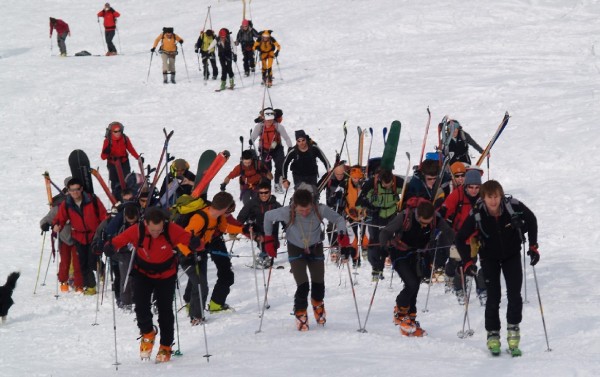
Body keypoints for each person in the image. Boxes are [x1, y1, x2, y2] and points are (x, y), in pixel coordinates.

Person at [455, 180, 538, 354]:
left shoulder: (513, 206)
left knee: (515, 295)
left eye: (496, 197)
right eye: (489, 197)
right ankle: (493, 335)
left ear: (501, 195)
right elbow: (460, 238)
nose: (493, 201)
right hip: (489, 258)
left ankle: (513, 333)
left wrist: (533, 246)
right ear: (483, 198)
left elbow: (531, 220)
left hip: (512, 255)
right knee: (493, 297)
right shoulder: (477, 213)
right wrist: (468, 262)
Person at [103, 207, 191, 362]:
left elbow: (188, 239)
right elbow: (119, 241)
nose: (156, 233)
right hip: (143, 273)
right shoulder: (137, 230)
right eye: (152, 230)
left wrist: (197, 245)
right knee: (141, 306)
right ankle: (148, 333)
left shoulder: (171, 229)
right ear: (145, 223)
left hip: (166, 275)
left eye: (159, 229)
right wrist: (109, 246)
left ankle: (166, 346)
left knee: (165, 311)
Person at [264, 188, 351, 331]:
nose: (304, 213)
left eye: (308, 209)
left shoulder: (319, 209)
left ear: (312, 204)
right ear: (295, 206)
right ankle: (300, 312)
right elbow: (268, 216)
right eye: (301, 210)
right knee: (303, 285)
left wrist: (342, 233)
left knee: (318, 283)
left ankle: (318, 304)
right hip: (296, 248)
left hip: (315, 247)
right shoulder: (287, 211)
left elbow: (339, 219)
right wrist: (268, 239)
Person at [380, 199, 454, 337]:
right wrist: (384, 248)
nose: (424, 225)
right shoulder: (404, 217)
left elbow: (448, 232)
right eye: (422, 222)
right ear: (417, 215)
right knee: (411, 283)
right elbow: (385, 232)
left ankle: (411, 320)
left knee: (416, 286)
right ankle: (400, 312)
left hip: (419, 255)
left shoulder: (435, 219)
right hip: (400, 252)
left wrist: (454, 244)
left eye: (427, 223)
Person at [178, 192, 245, 323]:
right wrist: (189, 254)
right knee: (201, 285)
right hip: (188, 254)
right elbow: (181, 239)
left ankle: (191, 306)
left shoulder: (218, 217)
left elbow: (224, 227)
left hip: (201, 252)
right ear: (225, 208)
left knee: (197, 281)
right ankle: (196, 317)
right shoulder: (200, 218)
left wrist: (243, 230)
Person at [52, 178, 107, 295]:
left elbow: (103, 215)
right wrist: (57, 225)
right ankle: (91, 286)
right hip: (78, 236)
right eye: (72, 190)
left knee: (92, 262)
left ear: (81, 189)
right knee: (83, 263)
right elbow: (60, 218)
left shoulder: (92, 200)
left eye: (77, 189)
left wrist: (104, 229)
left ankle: (100, 269)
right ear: (68, 190)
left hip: (94, 235)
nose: (75, 193)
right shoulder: (67, 204)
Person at [440, 169, 487, 304]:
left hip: (475, 236)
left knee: (471, 261)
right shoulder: (458, 194)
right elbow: (445, 209)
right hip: (458, 234)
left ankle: (470, 286)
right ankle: (456, 285)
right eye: (471, 187)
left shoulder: (483, 197)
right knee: (457, 262)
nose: (474, 190)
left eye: (477, 187)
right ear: (466, 186)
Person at [356, 169, 404, 280]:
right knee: (375, 241)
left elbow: (409, 192)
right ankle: (376, 267)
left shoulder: (398, 182)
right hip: (375, 216)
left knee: (392, 240)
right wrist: (369, 206)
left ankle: (394, 262)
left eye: (390, 184)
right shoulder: (370, 184)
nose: (387, 187)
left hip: (392, 214)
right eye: (384, 185)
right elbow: (358, 204)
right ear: (379, 181)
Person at [40, 177, 84, 293]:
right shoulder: (59, 205)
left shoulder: (82, 202)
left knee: (77, 262)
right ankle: (63, 282)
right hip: (64, 238)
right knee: (65, 261)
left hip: (77, 238)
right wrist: (44, 224)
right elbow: (48, 218)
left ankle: (79, 284)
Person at [237, 181, 282, 267]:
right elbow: (241, 216)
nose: (263, 195)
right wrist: (241, 226)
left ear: (270, 192)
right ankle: (263, 256)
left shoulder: (275, 204)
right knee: (262, 241)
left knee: (273, 246)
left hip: (272, 229)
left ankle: (267, 256)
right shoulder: (252, 203)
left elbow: (284, 217)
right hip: (257, 228)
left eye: (266, 192)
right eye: (261, 193)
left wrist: (287, 227)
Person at [250, 107, 293, 193]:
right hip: (264, 150)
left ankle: (277, 184)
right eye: (267, 120)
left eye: (271, 120)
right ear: (264, 119)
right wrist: (251, 140)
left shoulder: (278, 126)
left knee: (280, 165)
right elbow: (253, 136)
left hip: (277, 149)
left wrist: (290, 147)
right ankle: (267, 186)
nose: (269, 122)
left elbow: (287, 138)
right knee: (266, 168)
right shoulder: (260, 126)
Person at [100, 121, 141, 201]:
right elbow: (103, 157)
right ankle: (116, 200)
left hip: (124, 163)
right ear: (111, 132)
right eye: (115, 131)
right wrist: (106, 152)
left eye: (119, 131)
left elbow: (131, 149)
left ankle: (128, 199)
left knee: (126, 181)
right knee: (115, 183)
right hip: (113, 165)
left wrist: (138, 157)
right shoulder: (107, 141)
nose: (118, 133)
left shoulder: (125, 138)